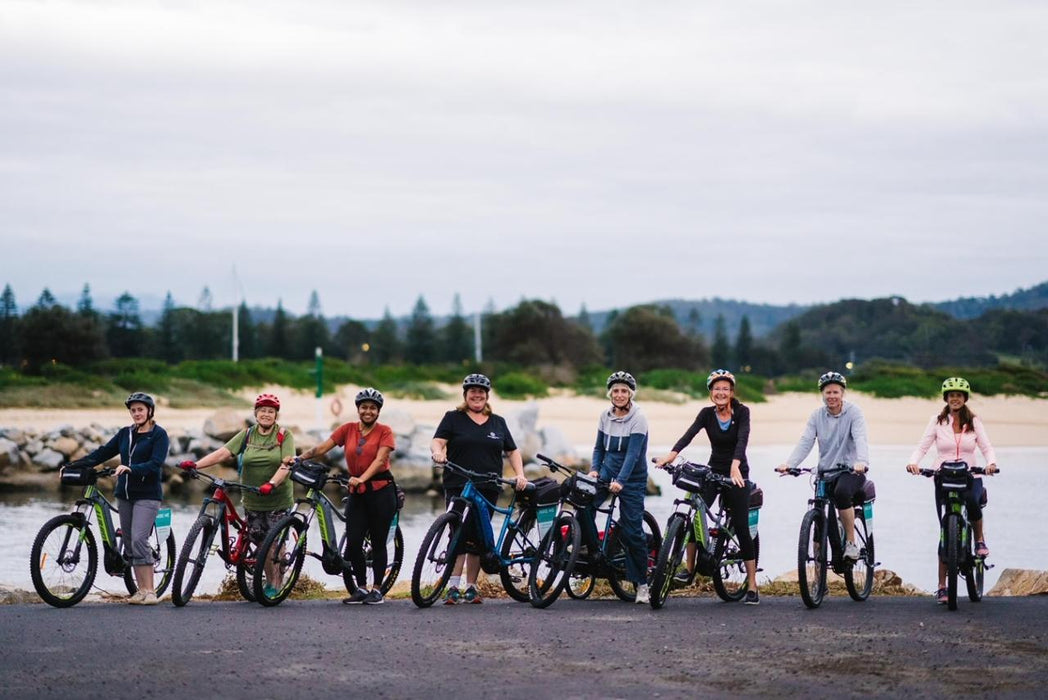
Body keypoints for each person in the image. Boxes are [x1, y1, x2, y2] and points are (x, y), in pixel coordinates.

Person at [655, 369, 759, 604]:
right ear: (711, 392)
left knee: (741, 526)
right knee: (693, 514)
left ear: (732, 392)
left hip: (737, 474)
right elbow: (689, 435)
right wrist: (671, 456)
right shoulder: (706, 414)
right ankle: (689, 569)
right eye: (716, 389)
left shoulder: (742, 412)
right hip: (713, 471)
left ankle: (752, 584)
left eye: (725, 389)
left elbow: (743, 439)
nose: (720, 392)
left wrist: (735, 466)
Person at [179, 393, 294, 598]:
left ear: (276, 415)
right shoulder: (247, 434)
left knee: (273, 543)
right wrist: (196, 464)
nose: (266, 414)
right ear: (256, 413)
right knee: (260, 542)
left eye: (271, 411)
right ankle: (269, 579)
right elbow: (224, 453)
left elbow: (287, 464)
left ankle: (275, 584)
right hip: (252, 497)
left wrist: (272, 483)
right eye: (262, 410)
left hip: (276, 497)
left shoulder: (284, 435)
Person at [430, 373, 528, 605]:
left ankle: (471, 588)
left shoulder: (498, 422)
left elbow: (512, 451)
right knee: (457, 534)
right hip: (458, 484)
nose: (477, 395)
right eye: (472, 391)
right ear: (465, 395)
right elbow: (438, 441)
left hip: (489, 485)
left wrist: (520, 474)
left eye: (481, 392)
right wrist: (438, 452)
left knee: (477, 537)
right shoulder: (453, 418)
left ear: (487, 396)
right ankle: (453, 587)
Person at [295, 388, 397, 605]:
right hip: (357, 493)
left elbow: (380, 460)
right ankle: (360, 588)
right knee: (353, 541)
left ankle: (377, 589)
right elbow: (323, 447)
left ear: (378, 411)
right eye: (364, 407)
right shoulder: (348, 429)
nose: (368, 411)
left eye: (372, 408)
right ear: (358, 409)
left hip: (381, 490)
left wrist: (362, 478)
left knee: (378, 543)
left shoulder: (385, 431)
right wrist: (299, 458)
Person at [70, 392, 170, 604]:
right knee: (128, 541)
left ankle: (150, 591)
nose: (136, 413)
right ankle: (140, 590)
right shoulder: (125, 434)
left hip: (148, 495)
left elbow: (155, 464)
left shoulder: (159, 435)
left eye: (140, 409)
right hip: (124, 495)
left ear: (149, 411)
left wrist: (130, 469)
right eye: (133, 410)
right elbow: (104, 452)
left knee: (138, 538)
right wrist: (77, 464)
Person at [906, 377, 998, 604]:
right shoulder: (937, 421)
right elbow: (923, 445)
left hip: (970, 475)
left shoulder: (974, 421)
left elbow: (986, 446)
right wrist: (913, 462)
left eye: (959, 395)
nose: (955, 399)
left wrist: (991, 463)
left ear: (964, 398)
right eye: (951, 395)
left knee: (975, 503)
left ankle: (979, 540)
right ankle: (942, 586)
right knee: (945, 530)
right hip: (943, 476)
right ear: (946, 398)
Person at [776, 371, 870, 564]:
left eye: (836, 392)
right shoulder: (817, 416)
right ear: (822, 394)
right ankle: (819, 573)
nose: (832, 396)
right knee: (818, 508)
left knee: (842, 492)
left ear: (842, 393)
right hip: (825, 472)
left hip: (851, 471)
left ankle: (851, 543)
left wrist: (862, 461)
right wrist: (790, 464)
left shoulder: (854, 413)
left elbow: (860, 438)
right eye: (828, 392)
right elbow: (806, 441)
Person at [591, 371, 651, 605]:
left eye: (624, 391)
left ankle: (642, 584)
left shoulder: (639, 417)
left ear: (630, 394)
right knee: (584, 503)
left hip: (632, 476)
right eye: (615, 390)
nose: (619, 394)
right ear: (610, 393)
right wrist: (595, 469)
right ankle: (589, 548)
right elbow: (598, 448)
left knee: (632, 529)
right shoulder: (604, 416)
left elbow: (633, 455)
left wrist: (622, 482)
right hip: (607, 470)